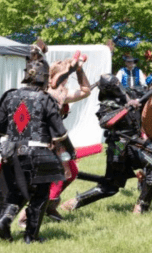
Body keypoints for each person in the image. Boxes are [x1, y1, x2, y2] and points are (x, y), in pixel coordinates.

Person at [60, 74, 152, 214]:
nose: (118, 87)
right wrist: (126, 108)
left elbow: (146, 94)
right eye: (115, 85)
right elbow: (105, 122)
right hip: (119, 148)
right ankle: (74, 202)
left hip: (136, 144)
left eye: (118, 83)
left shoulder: (129, 93)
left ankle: (141, 207)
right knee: (110, 187)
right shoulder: (106, 105)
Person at [0, 59, 76, 243]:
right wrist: (70, 151)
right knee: (40, 194)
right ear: (45, 78)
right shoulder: (46, 99)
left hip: (12, 153)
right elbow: (59, 132)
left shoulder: (10, 96)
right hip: (39, 154)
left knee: (17, 189)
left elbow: (0, 125)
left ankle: (4, 220)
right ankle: (31, 236)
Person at [17, 55, 92, 226]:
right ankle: (27, 216)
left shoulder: (61, 91)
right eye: (66, 76)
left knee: (70, 171)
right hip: (46, 140)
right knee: (57, 175)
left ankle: (49, 206)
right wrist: (75, 69)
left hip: (55, 138)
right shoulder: (50, 92)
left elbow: (86, 90)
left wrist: (79, 71)